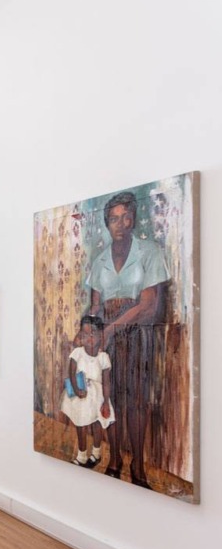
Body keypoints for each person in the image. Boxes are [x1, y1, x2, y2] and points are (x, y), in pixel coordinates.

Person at [87, 191, 169, 488]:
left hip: (138, 336)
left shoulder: (149, 252)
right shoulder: (99, 261)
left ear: (133, 218)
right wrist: (91, 333)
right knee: (109, 398)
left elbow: (148, 305)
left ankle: (137, 464)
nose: (119, 224)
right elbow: (96, 306)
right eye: (113, 219)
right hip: (107, 338)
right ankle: (115, 460)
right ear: (107, 223)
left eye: (125, 217)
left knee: (136, 401)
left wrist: (110, 329)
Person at [59, 316, 114, 467]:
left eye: (93, 334)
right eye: (85, 334)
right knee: (81, 424)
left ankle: (96, 454)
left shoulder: (103, 357)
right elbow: (71, 373)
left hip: (97, 397)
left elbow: (107, 382)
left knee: (96, 424)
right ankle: (82, 455)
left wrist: (106, 402)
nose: (89, 338)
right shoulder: (77, 353)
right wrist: (77, 390)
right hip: (81, 395)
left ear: (100, 335)